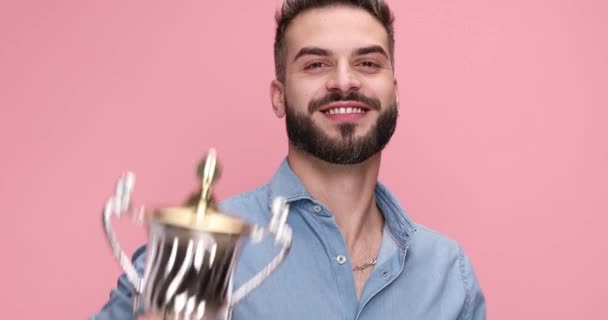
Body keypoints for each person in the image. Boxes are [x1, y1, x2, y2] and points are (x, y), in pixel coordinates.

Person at [92, 0, 486, 319]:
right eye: (316, 64)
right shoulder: (204, 249)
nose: (345, 81)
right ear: (279, 96)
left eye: (367, 63)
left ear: (394, 92)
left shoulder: (448, 274)